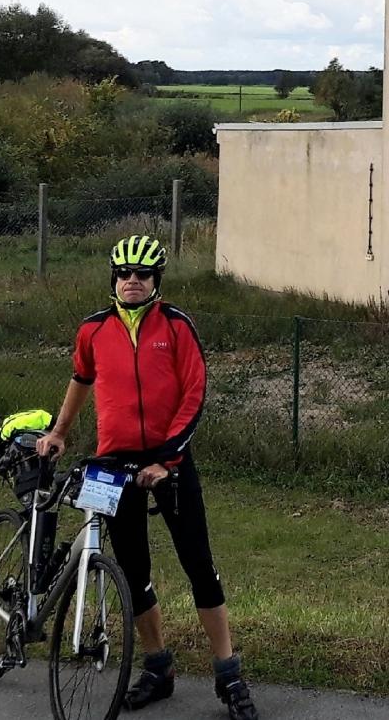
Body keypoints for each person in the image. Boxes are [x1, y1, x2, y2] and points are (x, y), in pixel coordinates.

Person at [33, 233, 257, 720]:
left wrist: (167, 458)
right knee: (133, 573)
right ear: (113, 278)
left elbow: (194, 394)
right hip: (115, 466)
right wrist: (59, 431)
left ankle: (229, 674)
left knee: (199, 565)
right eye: (124, 274)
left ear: (157, 281)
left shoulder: (176, 326)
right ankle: (158, 667)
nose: (132, 282)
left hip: (168, 464)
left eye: (142, 275)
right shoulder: (93, 329)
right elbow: (80, 379)